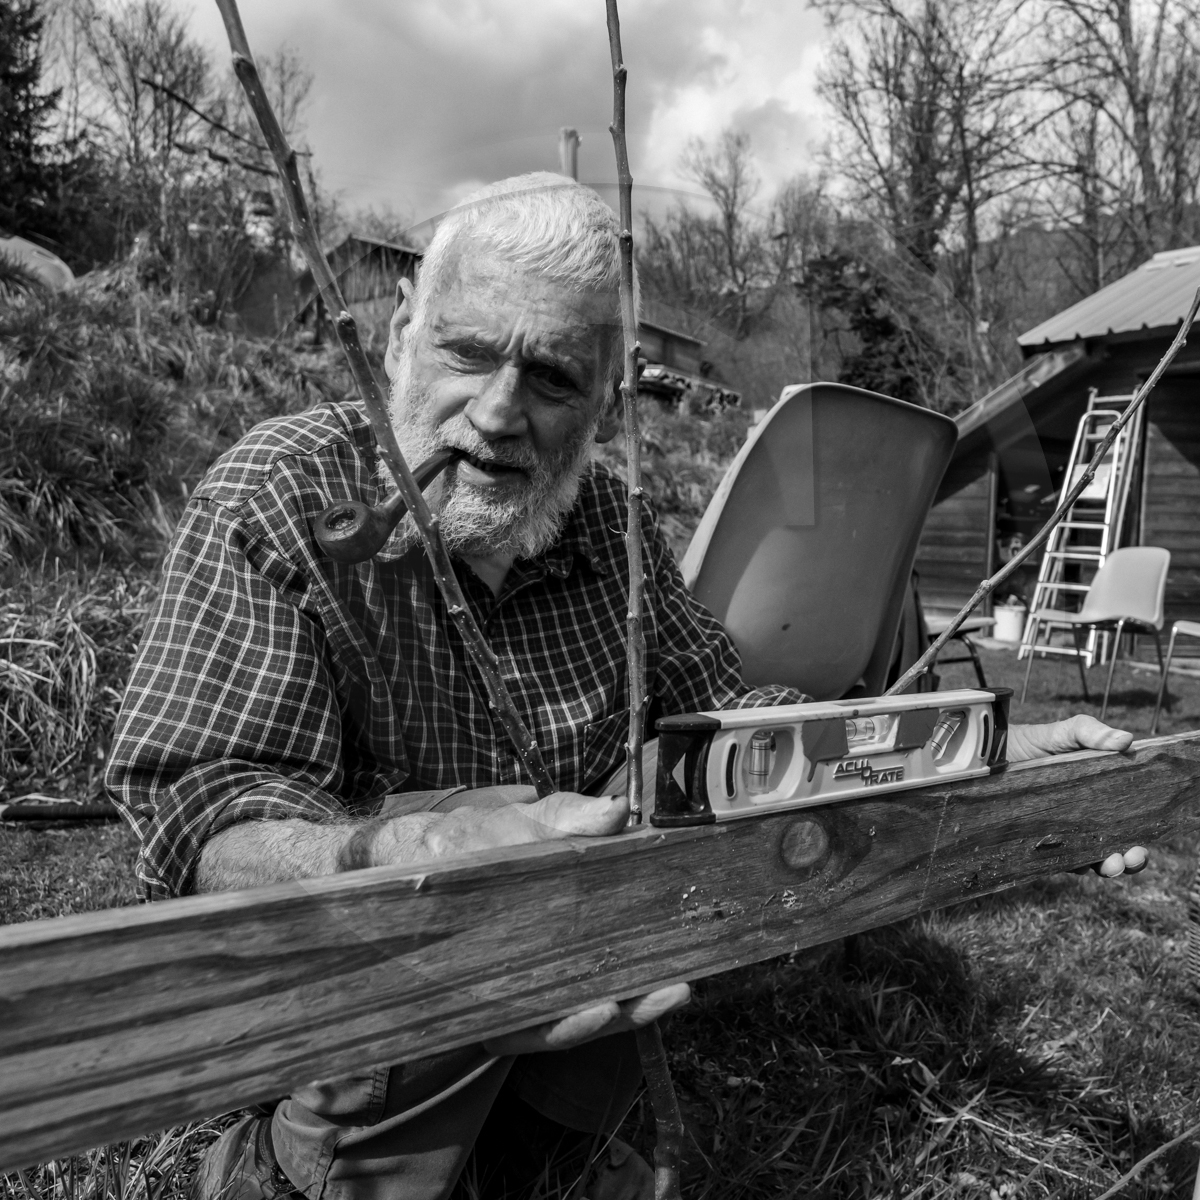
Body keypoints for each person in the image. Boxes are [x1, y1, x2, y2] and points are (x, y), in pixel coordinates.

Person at [107, 173, 1139, 1200]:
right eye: (467, 352)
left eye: (553, 379)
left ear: (605, 402)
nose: (499, 415)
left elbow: (733, 726)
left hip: (576, 991)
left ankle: (551, 1145)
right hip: (347, 996)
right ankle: (288, 1170)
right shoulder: (283, 494)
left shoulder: (608, 524)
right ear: (398, 342)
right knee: (455, 877)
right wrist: (398, 853)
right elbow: (208, 817)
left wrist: (963, 751)